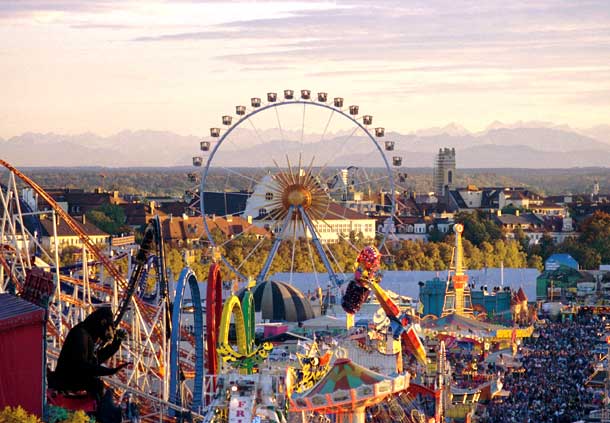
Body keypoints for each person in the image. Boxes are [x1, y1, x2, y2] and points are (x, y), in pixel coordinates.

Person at [48, 306, 129, 401]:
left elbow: (95, 359)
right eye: (108, 328)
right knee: (97, 385)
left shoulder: (88, 335)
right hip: (66, 380)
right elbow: (83, 366)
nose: (108, 333)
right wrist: (109, 371)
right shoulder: (81, 334)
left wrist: (116, 344)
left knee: (98, 385)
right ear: (102, 322)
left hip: (72, 377)